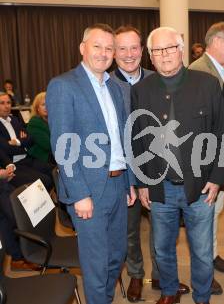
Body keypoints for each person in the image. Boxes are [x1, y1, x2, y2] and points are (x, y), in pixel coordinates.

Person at [131, 26, 224, 304]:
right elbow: (137, 141)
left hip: (200, 187)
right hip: (159, 188)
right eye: (158, 50)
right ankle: (170, 292)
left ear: (181, 49)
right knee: (162, 250)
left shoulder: (207, 84)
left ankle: (203, 298)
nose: (165, 55)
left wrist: (218, 177)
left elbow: (222, 133)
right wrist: (143, 182)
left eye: (170, 48)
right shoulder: (141, 91)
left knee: (202, 252)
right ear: (150, 55)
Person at [46, 23, 136, 304]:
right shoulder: (63, 85)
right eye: (97, 46)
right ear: (82, 48)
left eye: (109, 48)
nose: (104, 53)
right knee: (96, 265)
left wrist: (130, 181)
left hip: (119, 186)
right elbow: (63, 146)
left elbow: (124, 139)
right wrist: (79, 194)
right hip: (87, 190)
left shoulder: (119, 87)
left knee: (116, 257)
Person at [109, 25, 189, 302]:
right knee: (130, 229)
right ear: (113, 52)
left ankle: (162, 275)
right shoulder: (106, 84)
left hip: (160, 168)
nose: (129, 54)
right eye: (122, 48)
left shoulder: (160, 77)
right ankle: (136, 273)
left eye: (134, 47)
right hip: (126, 171)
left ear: (144, 51)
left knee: (163, 230)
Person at [188, 21, 224, 293]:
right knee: (201, 223)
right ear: (216, 42)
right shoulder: (198, 72)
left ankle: (212, 255)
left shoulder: (216, 71)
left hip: (216, 164)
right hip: (204, 166)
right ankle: (203, 273)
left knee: (213, 215)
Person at [0, 92, 53, 190]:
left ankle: (57, 201)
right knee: (45, 180)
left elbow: (30, 139)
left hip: (26, 159)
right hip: (12, 165)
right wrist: (22, 142)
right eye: (2, 103)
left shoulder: (14, 119)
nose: (6, 106)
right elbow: (4, 148)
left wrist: (17, 142)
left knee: (53, 171)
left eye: (8, 103)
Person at [26, 92, 54, 164]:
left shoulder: (53, 120)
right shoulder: (34, 122)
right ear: (37, 108)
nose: (47, 107)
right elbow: (49, 145)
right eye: (43, 105)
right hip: (42, 158)